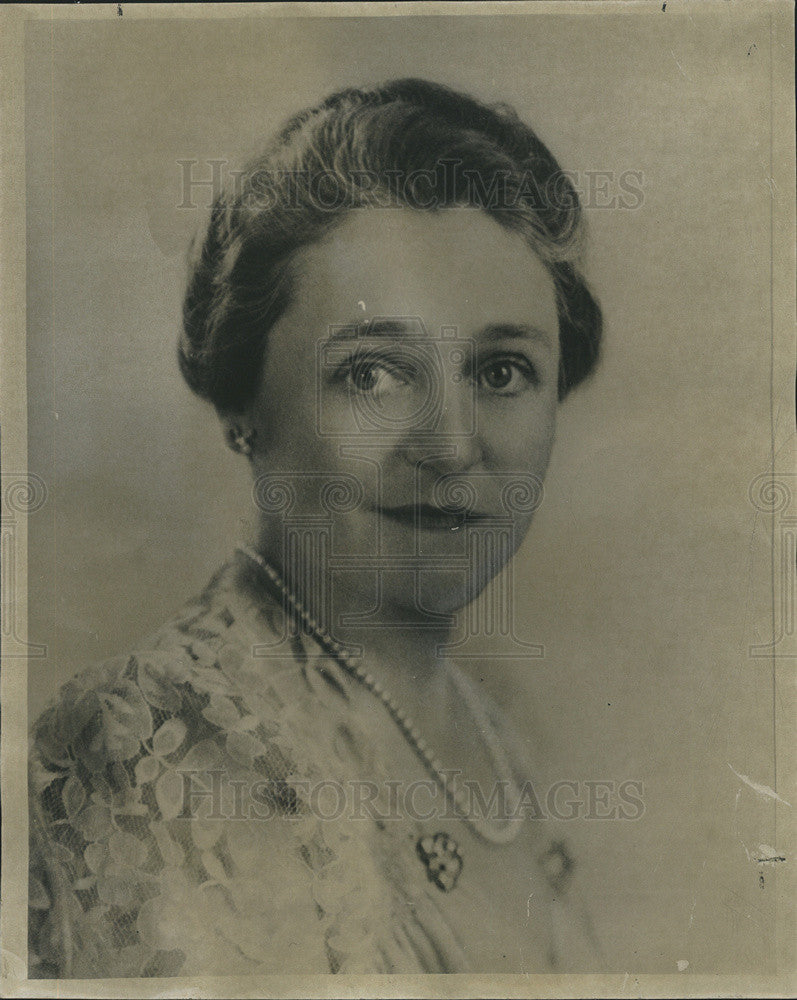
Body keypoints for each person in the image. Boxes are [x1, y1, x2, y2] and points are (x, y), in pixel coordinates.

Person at [28, 78, 602, 978]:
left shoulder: (499, 729)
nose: (450, 447)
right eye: (374, 375)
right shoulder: (152, 745)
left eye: (499, 372)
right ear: (244, 398)